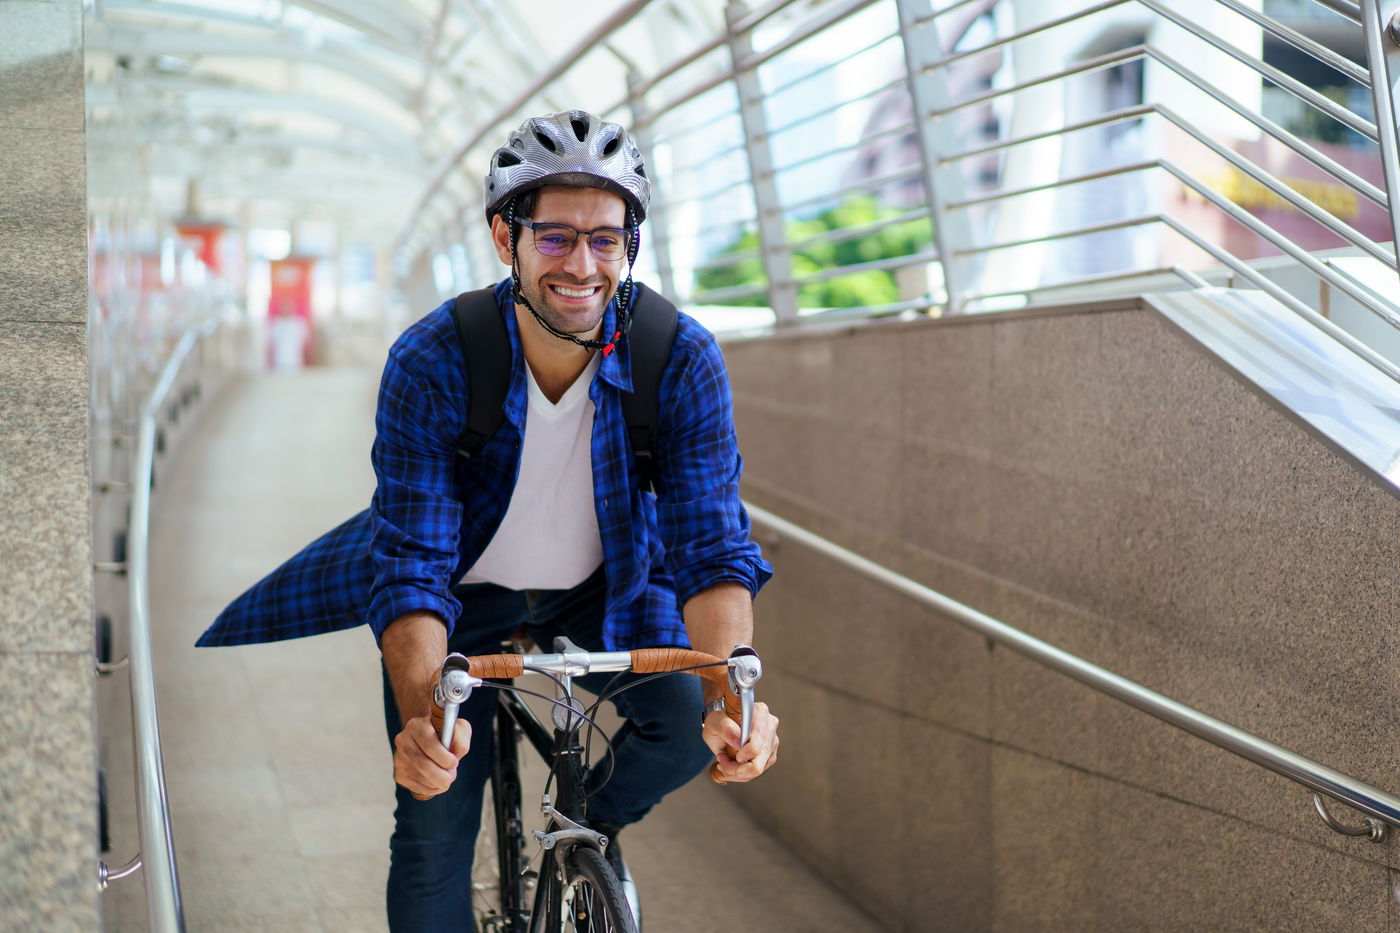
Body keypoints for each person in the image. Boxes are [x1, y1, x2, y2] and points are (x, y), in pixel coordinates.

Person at [197, 109, 779, 931]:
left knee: (686, 726)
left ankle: (585, 826)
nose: (582, 264)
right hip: (461, 596)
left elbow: (711, 547)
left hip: (603, 585)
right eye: (555, 237)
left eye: (605, 239)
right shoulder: (436, 357)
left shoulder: (678, 357)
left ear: (631, 245)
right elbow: (412, 566)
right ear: (507, 238)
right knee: (432, 829)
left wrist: (731, 699)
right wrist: (423, 722)